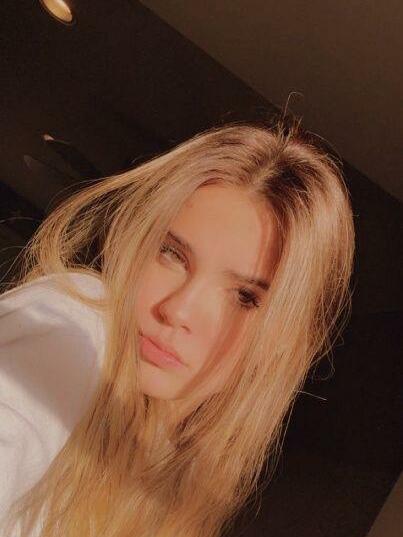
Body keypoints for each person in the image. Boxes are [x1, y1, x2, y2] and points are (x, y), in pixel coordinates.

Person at [0, 117, 355, 537]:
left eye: (245, 297)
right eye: (172, 254)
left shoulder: (173, 468)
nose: (178, 311)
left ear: (285, 342)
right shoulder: (77, 323)